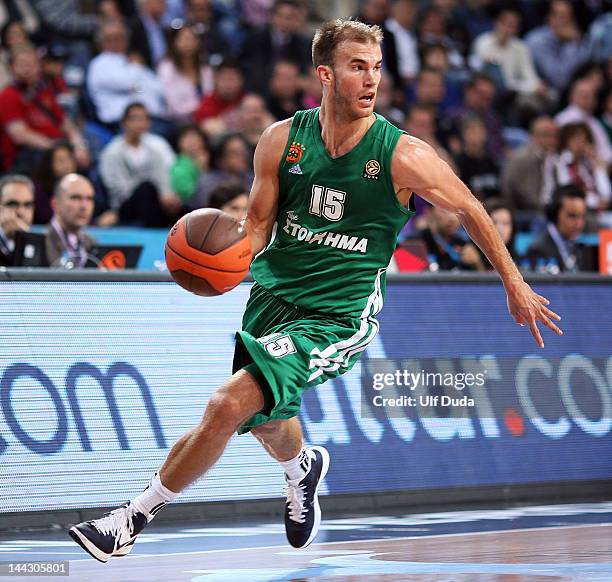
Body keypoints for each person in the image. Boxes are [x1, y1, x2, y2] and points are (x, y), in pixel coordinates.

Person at [69, 18, 562, 562]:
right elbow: (257, 228)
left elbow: (470, 207)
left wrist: (514, 283)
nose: (371, 79)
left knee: (227, 404)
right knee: (267, 419)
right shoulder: (281, 140)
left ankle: (130, 519)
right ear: (325, 74)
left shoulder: (402, 154)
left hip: (337, 314)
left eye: (376, 67)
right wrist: (216, 259)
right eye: (357, 67)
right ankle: (301, 468)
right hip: (272, 297)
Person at [0, 44, 89, 172]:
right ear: (12, 67)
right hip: (29, 156)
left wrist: (79, 145)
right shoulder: (8, 95)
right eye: (22, 64)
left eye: (32, 64)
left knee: (89, 147)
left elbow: (65, 123)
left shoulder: (44, 92)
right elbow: (19, 135)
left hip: (56, 149)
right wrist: (56, 148)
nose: (27, 69)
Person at [98, 103, 180, 227]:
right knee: (146, 189)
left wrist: (166, 196)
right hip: (125, 205)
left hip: (156, 201)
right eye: (135, 119)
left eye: (143, 119)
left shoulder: (156, 148)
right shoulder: (112, 153)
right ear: (124, 123)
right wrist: (152, 194)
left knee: (183, 208)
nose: (139, 124)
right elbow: (118, 190)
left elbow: (164, 177)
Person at [86, 20, 165, 126]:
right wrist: (137, 69)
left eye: (119, 38)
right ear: (101, 43)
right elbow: (127, 82)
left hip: (151, 117)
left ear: (127, 40)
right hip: (119, 122)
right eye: (109, 39)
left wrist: (138, 84)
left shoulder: (130, 61)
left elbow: (158, 87)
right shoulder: (99, 63)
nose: (115, 43)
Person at [526, 185, 593, 272]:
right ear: (554, 214)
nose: (579, 224)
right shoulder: (537, 250)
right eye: (572, 216)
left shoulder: (581, 249)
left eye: (582, 217)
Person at [501, 115, 558, 212]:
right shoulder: (521, 158)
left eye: (554, 135)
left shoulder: (552, 157)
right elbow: (519, 193)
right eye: (546, 135)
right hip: (525, 212)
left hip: (546, 209)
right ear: (533, 136)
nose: (551, 140)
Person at [45, 173, 96, 268]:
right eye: (75, 198)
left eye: (89, 199)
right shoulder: (42, 243)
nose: (84, 206)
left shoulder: (92, 244)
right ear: (55, 204)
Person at [0, 174, 34, 266]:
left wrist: (25, 238)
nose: (21, 212)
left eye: (27, 205)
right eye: (13, 204)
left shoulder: (39, 244)